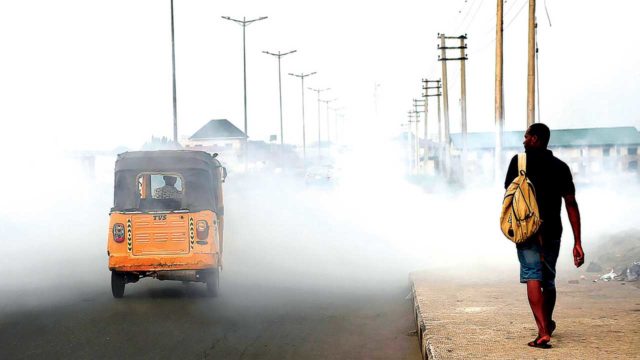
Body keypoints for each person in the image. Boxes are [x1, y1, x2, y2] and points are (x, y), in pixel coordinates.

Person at [504, 123, 584, 349]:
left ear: (536, 139)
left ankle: (542, 332)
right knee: (548, 280)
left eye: (527, 137)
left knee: (532, 276)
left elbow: (509, 197)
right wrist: (577, 242)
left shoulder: (518, 163)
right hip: (552, 231)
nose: (524, 140)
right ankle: (547, 323)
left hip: (526, 231)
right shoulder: (561, 167)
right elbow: (571, 203)